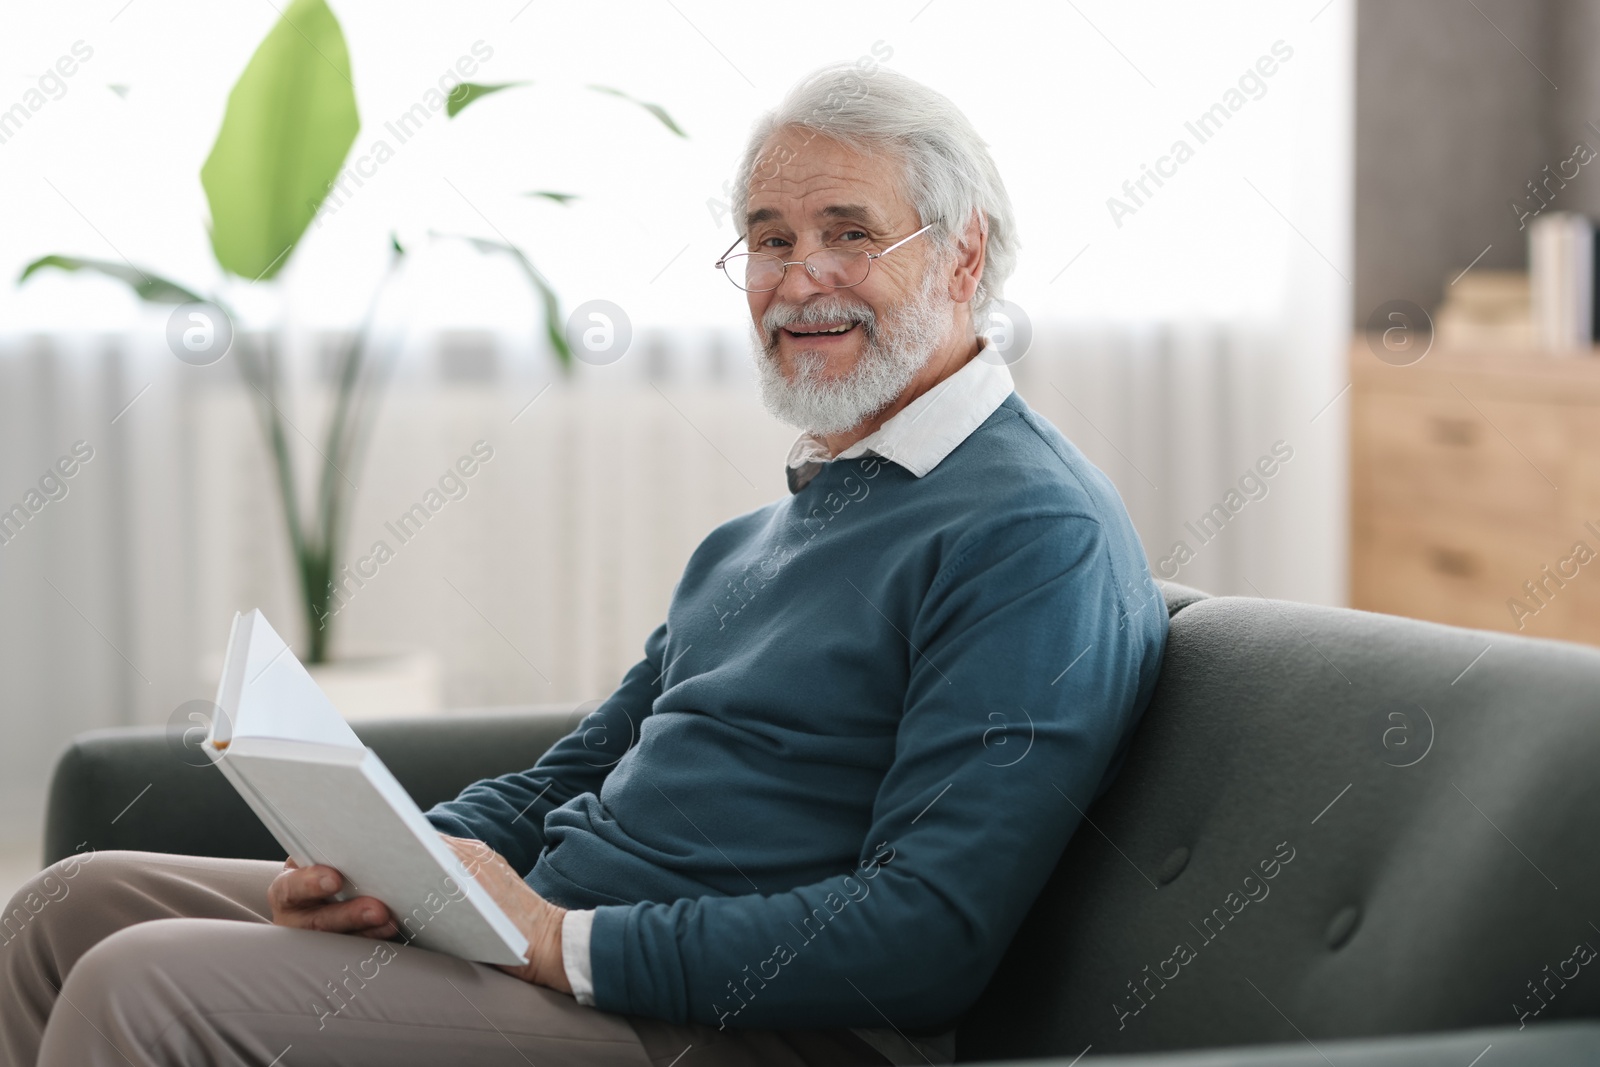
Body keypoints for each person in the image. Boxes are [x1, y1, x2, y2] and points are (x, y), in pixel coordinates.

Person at [0, 61, 1167, 1067]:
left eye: (849, 234)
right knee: (65, 906)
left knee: (138, 981)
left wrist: (555, 941)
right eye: (768, 239)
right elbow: (574, 770)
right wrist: (395, 866)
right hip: (556, 947)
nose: (797, 276)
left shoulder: (1030, 532)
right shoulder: (764, 535)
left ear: (964, 260)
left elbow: (924, 938)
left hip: (751, 1028)